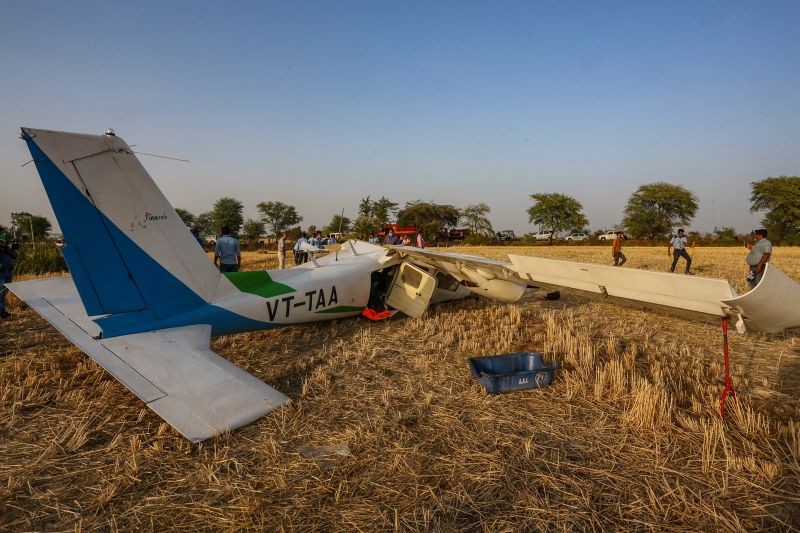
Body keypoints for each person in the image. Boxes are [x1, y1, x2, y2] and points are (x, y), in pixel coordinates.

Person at [0, 232, 19, 319]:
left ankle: (2, 311)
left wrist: (13, 248)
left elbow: (14, 256)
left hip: (8, 273)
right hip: (1, 273)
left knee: (3, 294)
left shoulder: (6, 249)